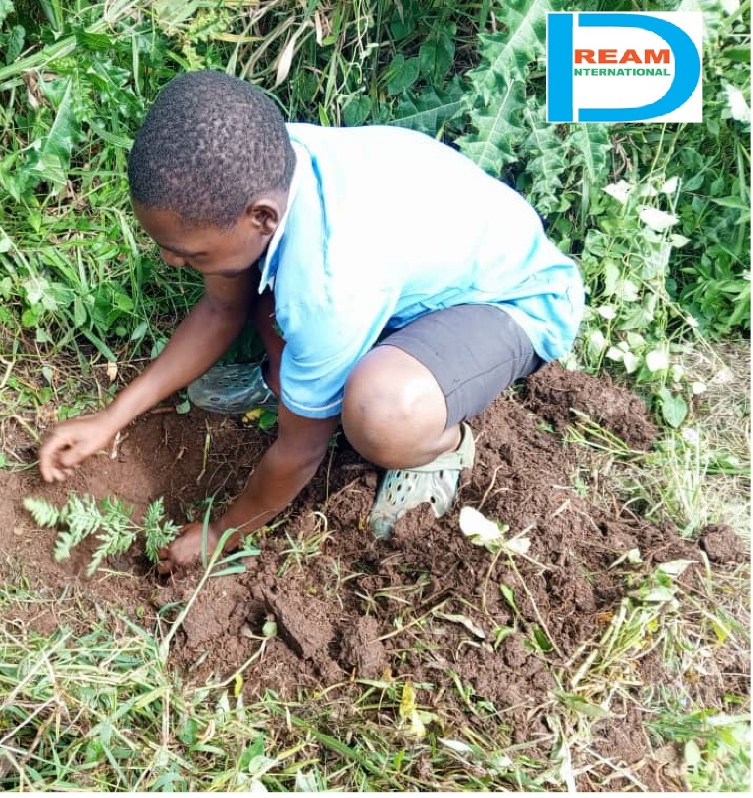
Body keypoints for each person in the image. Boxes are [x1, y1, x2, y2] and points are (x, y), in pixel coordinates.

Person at [38, 70, 583, 571]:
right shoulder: (260, 172)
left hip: (512, 302)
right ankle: (291, 382)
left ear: (261, 218)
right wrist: (111, 418)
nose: (170, 262)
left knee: (378, 412)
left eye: (188, 253)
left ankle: (437, 447)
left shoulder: (326, 280)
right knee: (257, 288)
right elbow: (221, 306)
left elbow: (301, 452)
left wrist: (222, 530)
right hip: (393, 279)